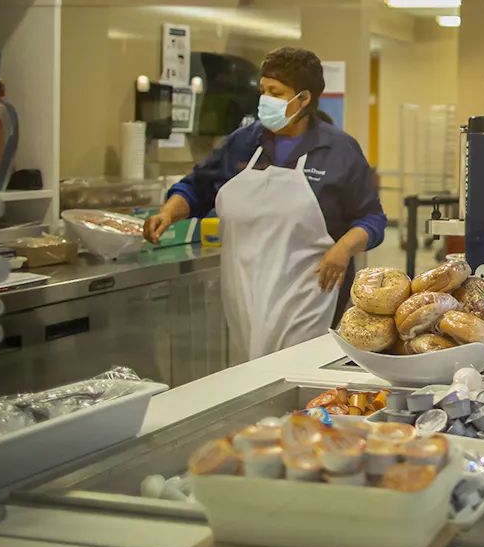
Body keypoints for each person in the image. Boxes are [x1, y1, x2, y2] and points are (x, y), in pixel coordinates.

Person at [144, 47, 386, 359]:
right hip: (244, 292)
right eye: (263, 91)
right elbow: (197, 188)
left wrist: (344, 249)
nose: (265, 100)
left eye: (276, 92)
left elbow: (372, 218)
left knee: (299, 373)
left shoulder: (338, 149)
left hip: (311, 294)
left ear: (304, 99)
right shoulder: (244, 142)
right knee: (253, 377)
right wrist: (168, 212)